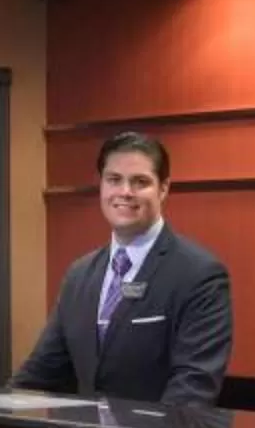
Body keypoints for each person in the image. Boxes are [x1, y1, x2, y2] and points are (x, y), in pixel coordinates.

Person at [13, 130, 233, 406]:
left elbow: (193, 387)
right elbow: (42, 370)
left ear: (164, 188)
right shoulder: (79, 275)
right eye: (114, 180)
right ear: (102, 186)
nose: (125, 192)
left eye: (140, 182)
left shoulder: (200, 275)